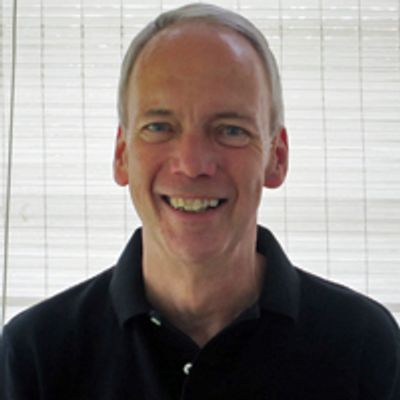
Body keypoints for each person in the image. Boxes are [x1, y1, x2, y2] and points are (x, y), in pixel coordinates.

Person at [1, 3, 399, 399]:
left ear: (276, 158)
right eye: (159, 127)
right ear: (122, 155)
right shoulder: (34, 356)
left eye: (230, 129)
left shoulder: (366, 346)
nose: (192, 165)